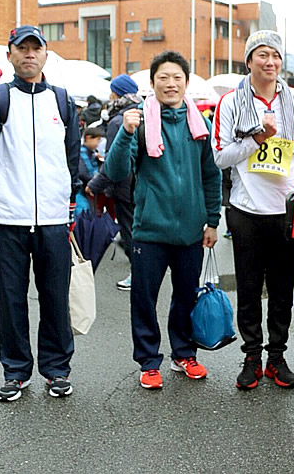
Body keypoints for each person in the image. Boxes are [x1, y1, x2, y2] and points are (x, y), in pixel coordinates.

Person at [0, 25, 81, 402]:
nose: (29, 54)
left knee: (55, 297)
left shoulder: (62, 100)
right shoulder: (0, 96)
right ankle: (16, 372)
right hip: (6, 216)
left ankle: (56, 369)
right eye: (22, 48)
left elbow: (72, 154)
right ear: (10, 55)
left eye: (36, 48)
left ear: (46, 55)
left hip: (52, 217)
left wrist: (70, 204)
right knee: (11, 299)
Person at [104, 51, 221, 390]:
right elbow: (115, 171)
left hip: (191, 232)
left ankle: (183, 353)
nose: (170, 84)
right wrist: (126, 133)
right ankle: (148, 361)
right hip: (149, 231)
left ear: (186, 82)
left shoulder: (200, 124)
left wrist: (212, 221)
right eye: (163, 78)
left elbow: (211, 176)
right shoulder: (139, 122)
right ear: (152, 83)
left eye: (177, 77)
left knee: (186, 296)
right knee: (144, 299)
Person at [211, 30, 294, 390]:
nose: (270, 62)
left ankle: (277, 356)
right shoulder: (231, 102)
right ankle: (251, 356)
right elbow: (221, 157)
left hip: (286, 209)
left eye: (276, 56)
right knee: (249, 289)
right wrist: (256, 138)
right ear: (249, 61)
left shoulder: (293, 99)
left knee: (282, 291)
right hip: (246, 208)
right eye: (263, 55)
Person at [87, 73, 141, 291]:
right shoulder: (141, 113)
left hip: (123, 186)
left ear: (118, 94)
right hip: (138, 185)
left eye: (112, 92)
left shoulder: (119, 120)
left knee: (129, 231)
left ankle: (138, 274)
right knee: (135, 229)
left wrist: (95, 185)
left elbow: (113, 161)